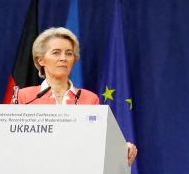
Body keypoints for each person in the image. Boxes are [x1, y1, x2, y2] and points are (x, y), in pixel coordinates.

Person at [14, 26, 138, 166]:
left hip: (77, 171)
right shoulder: (24, 97)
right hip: (34, 169)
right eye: (56, 53)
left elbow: (101, 141)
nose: (63, 58)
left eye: (69, 53)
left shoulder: (90, 99)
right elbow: (12, 142)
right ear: (41, 60)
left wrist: (122, 149)